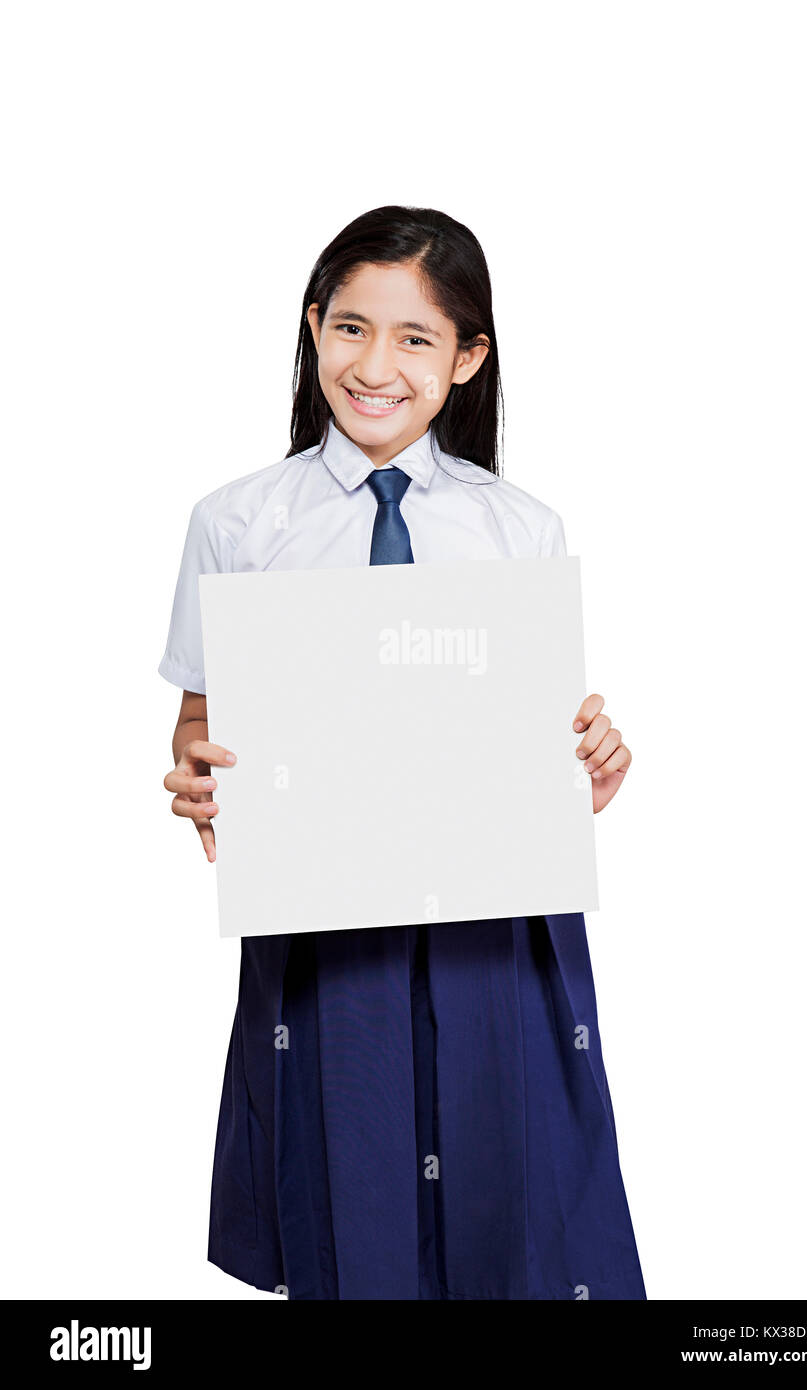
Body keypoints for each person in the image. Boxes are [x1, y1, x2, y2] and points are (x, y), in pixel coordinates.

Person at [159, 205, 645, 1300]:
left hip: (497, 926)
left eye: (416, 338)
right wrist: (198, 781)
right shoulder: (240, 523)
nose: (374, 365)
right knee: (352, 1200)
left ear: (468, 358)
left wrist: (593, 766)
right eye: (349, 328)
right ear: (313, 327)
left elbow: (544, 746)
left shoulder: (517, 525)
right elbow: (199, 726)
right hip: (326, 923)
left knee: (511, 1198)